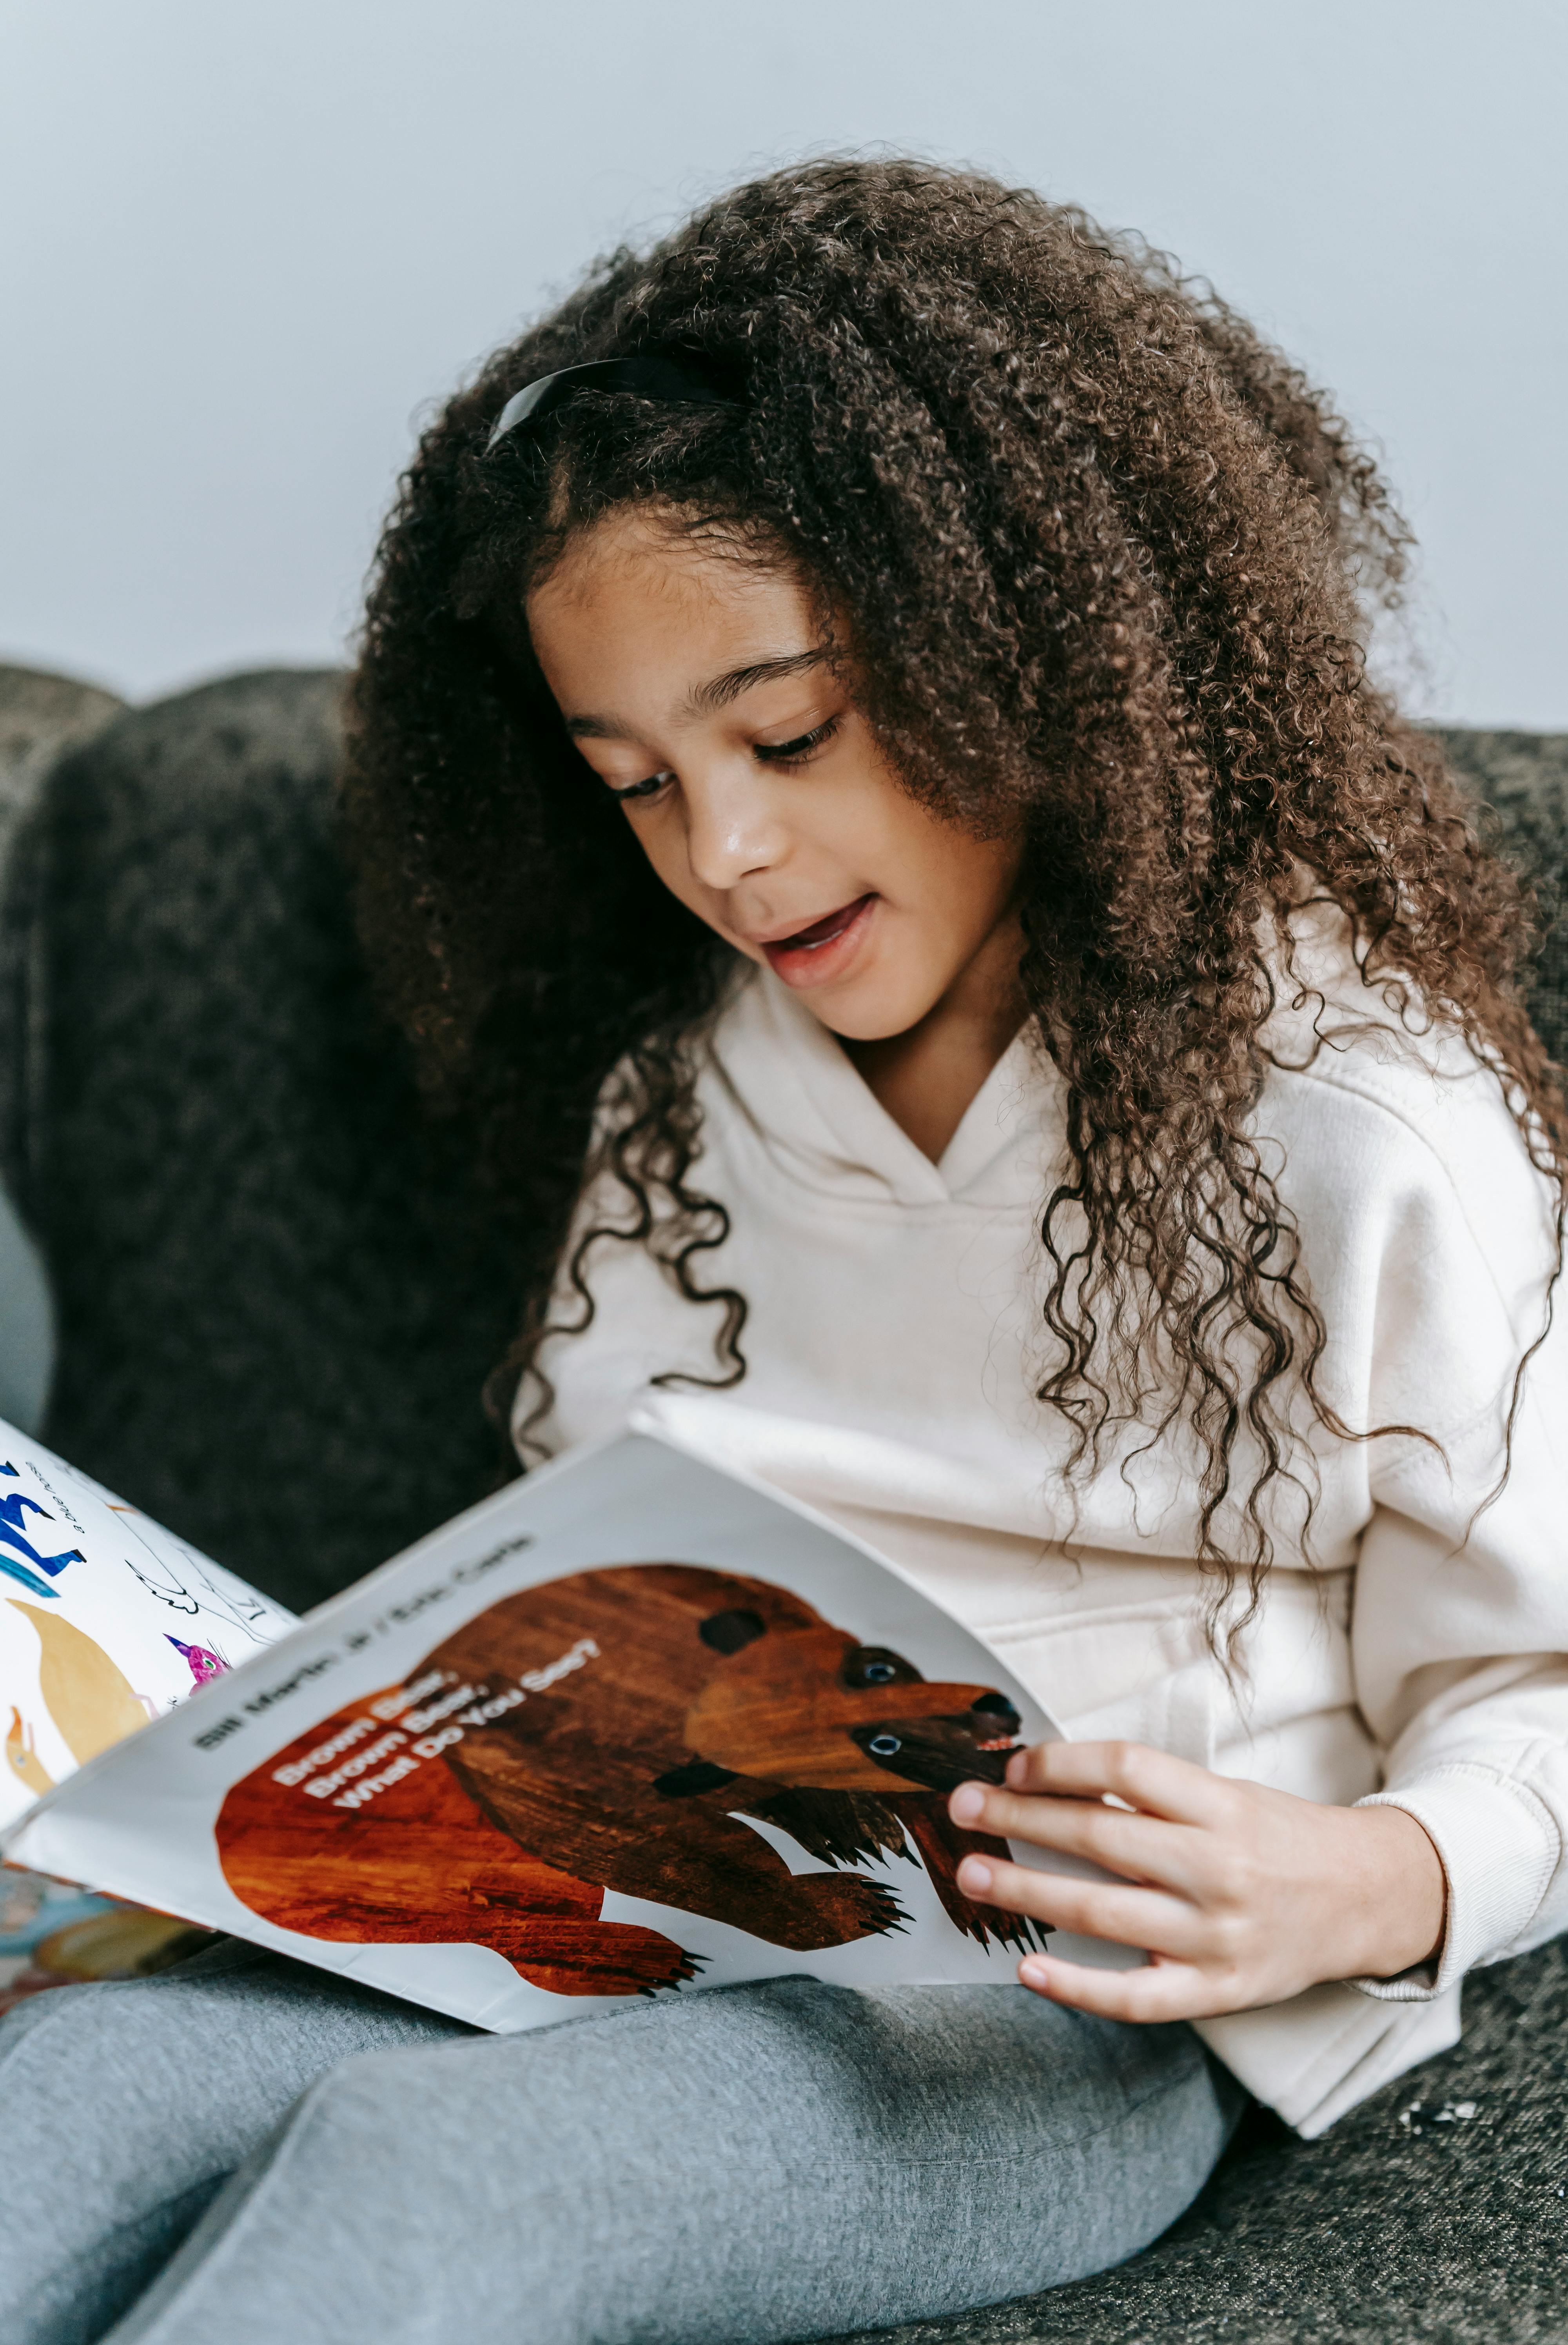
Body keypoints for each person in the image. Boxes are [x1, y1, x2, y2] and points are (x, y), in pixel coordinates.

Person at [4, 158, 1565, 2345]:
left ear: (1019, 645)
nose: (724, 851)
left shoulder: (1363, 1119)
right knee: (59, 2104)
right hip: (645, 1906)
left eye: (790, 733)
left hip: (1054, 2002)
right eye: (636, 781)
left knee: (432, 2188)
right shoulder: (688, 1100)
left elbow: (1535, 1682)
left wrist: (1379, 1878)